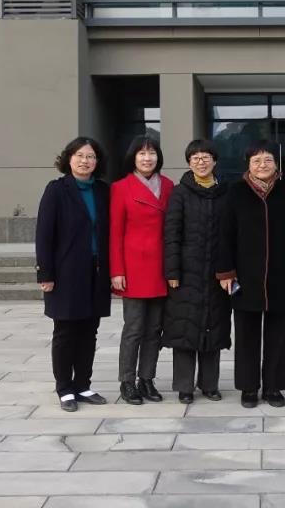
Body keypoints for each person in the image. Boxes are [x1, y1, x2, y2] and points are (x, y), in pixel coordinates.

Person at [217, 140, 285, 409]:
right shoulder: (235, 192)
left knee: (278, 334)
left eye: (267, 160)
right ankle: (248, 387)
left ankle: (273, 386)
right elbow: (224, 235)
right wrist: (226, 271)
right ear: (248, 165)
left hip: (280, 274)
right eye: (256, 160)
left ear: (276, 164)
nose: (262, 165)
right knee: (247, 334)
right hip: (245, 276)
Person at [35, 137, 111, 412]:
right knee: (66, 331)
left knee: (89, 331)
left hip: (96, 272)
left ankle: (83, 384)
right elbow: (44, 234)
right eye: (79, 155)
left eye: (90, 156)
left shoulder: (103, 190)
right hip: (66, 272)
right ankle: (65, 388)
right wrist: (45, 273)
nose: (85, 161)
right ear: (69, 159)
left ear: (97, 162)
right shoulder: (57, 190)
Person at [162, 139, 230, 404]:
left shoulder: (225, 192)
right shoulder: (180, 193)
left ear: (215, 161)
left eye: (205, 157)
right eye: (195, 158)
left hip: (217, 273)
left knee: (214, 327)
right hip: (186, 273)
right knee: (185, 329)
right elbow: (171, 234)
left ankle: (209, 384)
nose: (201, 162)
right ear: (189, 163)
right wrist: (172, 272)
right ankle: (184, 386)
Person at [110, 135, 174, 405]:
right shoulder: (120, 187)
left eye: (152, 153)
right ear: (133, 158)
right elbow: (115, 233)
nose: (147, 158)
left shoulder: (169, 186)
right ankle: (127, 381)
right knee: (134, 328)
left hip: (162, 266)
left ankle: (146, 379)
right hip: (134, 267)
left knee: (155, 329)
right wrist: (117, 270)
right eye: (142, 153)